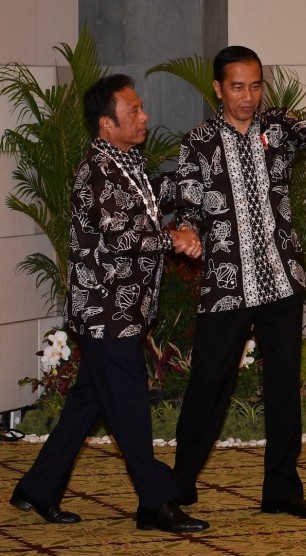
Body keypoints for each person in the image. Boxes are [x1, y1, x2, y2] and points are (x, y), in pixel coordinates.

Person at [8, 74, 208, 533]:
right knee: (130, 406)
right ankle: (154, 501)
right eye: (134, 111)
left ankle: (36, 489)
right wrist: (173, 238)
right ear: (106, 124)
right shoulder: (95, 172)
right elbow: (123, 235)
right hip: (105, 314)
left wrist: (191, 181)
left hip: (123, 309)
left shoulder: (124, 159)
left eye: (140, 109)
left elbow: (148, 199)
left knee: (88, 404)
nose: (145, 117)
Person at [171, 45, 306, 518]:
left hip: (281, 281)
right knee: (208, 384)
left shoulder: (277, 126)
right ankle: (176, 488)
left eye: (255, 85)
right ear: (218, 89)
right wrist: (190, 229)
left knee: (283, 386)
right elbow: (188, 203)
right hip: (226, 284)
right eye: (237, 86)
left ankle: (282, 489)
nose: (247, 96)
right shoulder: (197, 143)